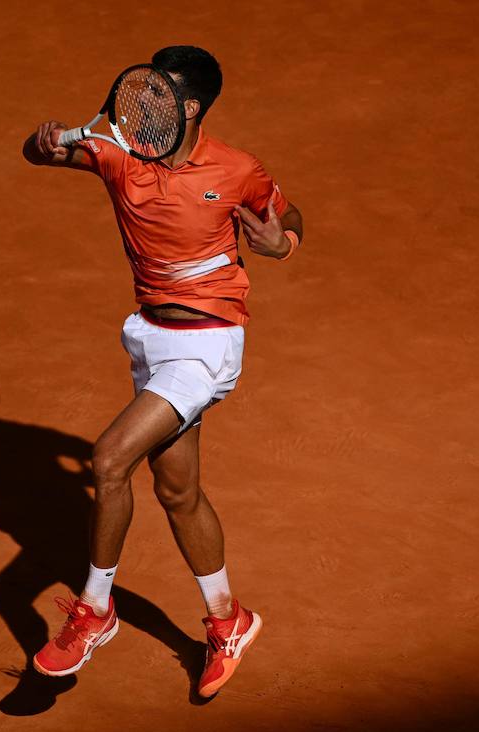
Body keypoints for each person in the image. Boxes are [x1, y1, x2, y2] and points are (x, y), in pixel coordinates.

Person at [23, 45, 303, 698]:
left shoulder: (236, 170)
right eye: (140, 91)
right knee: (177, 492)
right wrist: (41, 144)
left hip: (209, 344)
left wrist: (280, 243)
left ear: (192, 108)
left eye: (157, 97)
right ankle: (229, 620)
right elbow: (41, 153)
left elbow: (286, 215)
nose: (142, 105)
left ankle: (95, 611)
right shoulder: (117, 153)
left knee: (109, 459)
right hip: (149, 339)